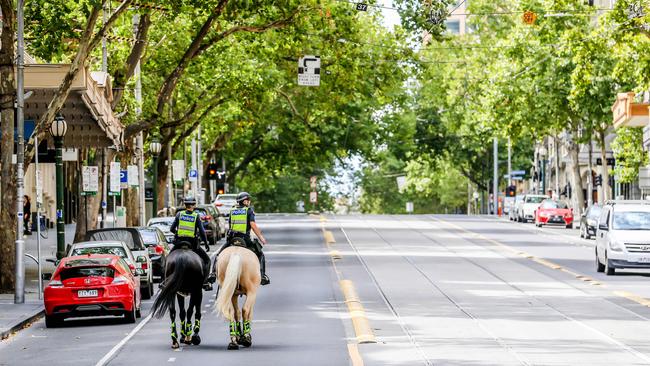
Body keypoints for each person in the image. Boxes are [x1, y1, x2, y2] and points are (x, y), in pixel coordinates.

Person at [216, 191, 269, 285]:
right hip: (245, 239)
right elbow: (252, 225)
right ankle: (262, 275)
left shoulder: (232, 210)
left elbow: (230, 225)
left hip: (232, 239)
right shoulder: (249, 210)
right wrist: (261, 237)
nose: (249, 201)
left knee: (219, 255)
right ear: (244, 201)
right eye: (248, 199)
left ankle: (213, 274)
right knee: (260, 254)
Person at [169, 196, 216, 290]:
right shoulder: (196, 216)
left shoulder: (179, 214)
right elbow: (202, 232)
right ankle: (205, 281)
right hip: (192, 244)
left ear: (185, 204)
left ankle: (164, 281)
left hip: (179, 243)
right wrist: (206, 244)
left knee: (167, 260)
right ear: (193, 205)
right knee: (207, 260)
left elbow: (171, 229)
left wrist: (178, 234)